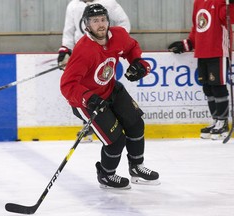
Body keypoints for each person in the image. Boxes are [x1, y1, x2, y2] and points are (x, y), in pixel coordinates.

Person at [60, 4, 160, 189]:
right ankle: (106, 175)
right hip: (87, 102)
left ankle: (137, 167)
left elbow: (132, 47)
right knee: (115, 140)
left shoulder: (118, 35)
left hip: (111, 88)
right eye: (95, 21)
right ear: (87, 25)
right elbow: (67, 85)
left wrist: (137, 62)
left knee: (136, 124)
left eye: (103, 20)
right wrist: (88, 98)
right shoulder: (83, 50)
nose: (101, 25)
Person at [58, 0, 130, 141]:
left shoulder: (107, 2)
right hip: (82, 55)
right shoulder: (73, 5)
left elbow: (124, 23)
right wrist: (65, 51)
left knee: (100, 86)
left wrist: (112, 41)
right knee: (82, 89)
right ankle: (90, 124)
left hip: (102, 53)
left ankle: (105, 123)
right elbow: (69, 31)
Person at [168, 0, 234, 140]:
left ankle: (223, 122)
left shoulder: (221, 1)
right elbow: (197, 27)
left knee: (218, 87)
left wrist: (231, 4)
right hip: (202, 52)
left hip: (218, 51)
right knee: (208, 88)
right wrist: (187, 44)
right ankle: (216, 120)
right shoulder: (198, 2)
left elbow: (229, 19)